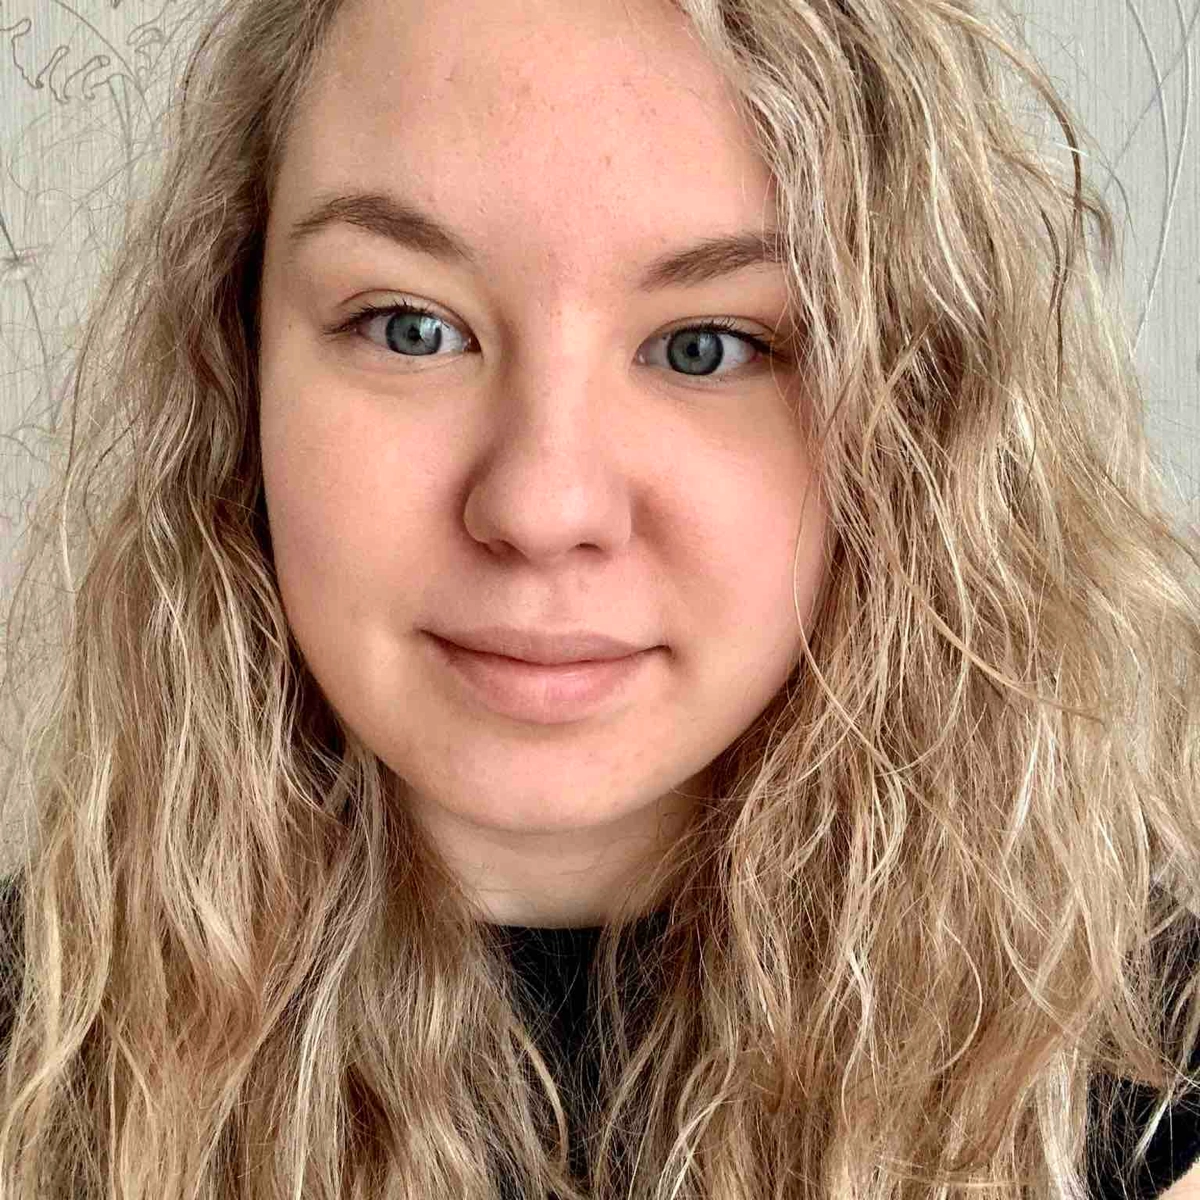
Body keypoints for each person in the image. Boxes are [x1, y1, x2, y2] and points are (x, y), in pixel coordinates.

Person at [1, 0, 1198, 1196]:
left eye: (706, 346)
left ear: (916, 413)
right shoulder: (33, 1070)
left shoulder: (1151, 1078)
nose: (541, 505)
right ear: (238, 357)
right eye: (411, 327)